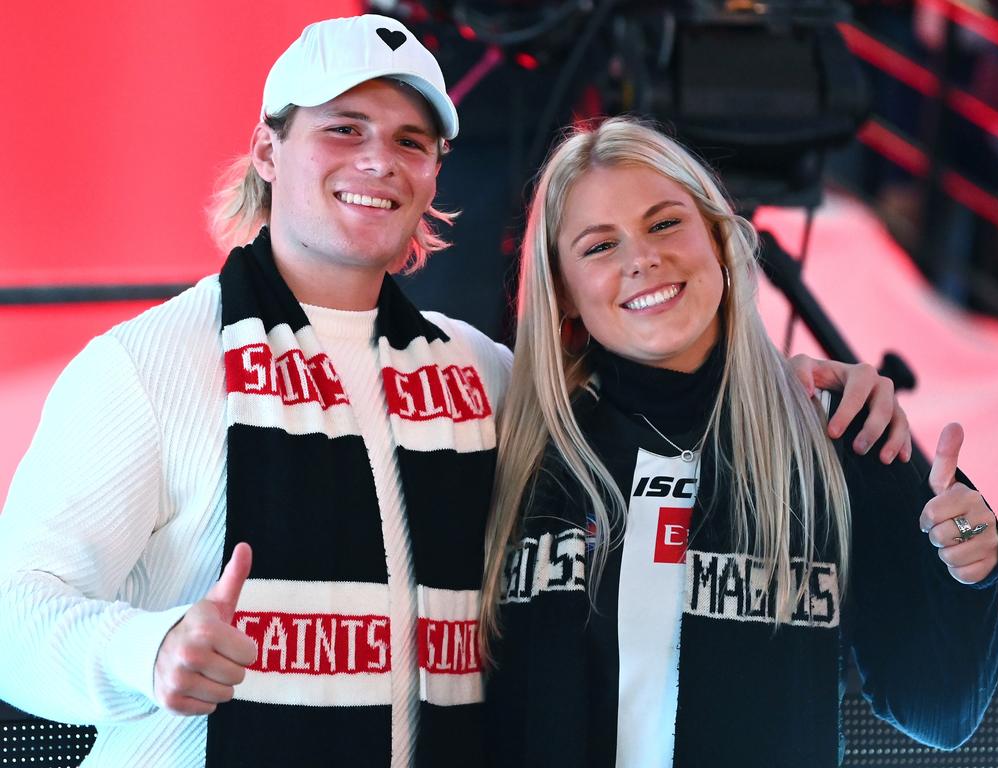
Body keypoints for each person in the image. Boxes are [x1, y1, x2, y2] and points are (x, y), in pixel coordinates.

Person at [0, 14, 911, 768]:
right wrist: (146, 651)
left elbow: (659, 398)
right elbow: (16, 613)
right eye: (343, 129)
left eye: (410, 141)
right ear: (267, 150)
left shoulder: (486, 373)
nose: (378, 161)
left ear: (436, 173)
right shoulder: (147, 365)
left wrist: (801, 385)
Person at [481, 116, 998, 768]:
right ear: (562, 292)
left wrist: (968, 574)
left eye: (666, 223)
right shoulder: (512, 451)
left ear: (721, 240)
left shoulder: (836, 435)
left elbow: (941, 711)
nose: (642, 258)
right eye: (598, 246)